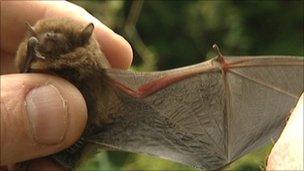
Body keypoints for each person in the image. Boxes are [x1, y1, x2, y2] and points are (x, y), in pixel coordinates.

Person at [1, 1, 303, 171]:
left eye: (58, 42)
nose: (48, 44)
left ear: (82, 41)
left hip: (75, 139)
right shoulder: (32, 62)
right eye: (40, 41)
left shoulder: (100, 78)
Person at [1, 1, 132, 170]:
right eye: (46, 34)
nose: (50, 36)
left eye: (61, 35)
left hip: (77, 136)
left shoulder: (91, 71)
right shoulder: (30, 59)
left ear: (82, 42)